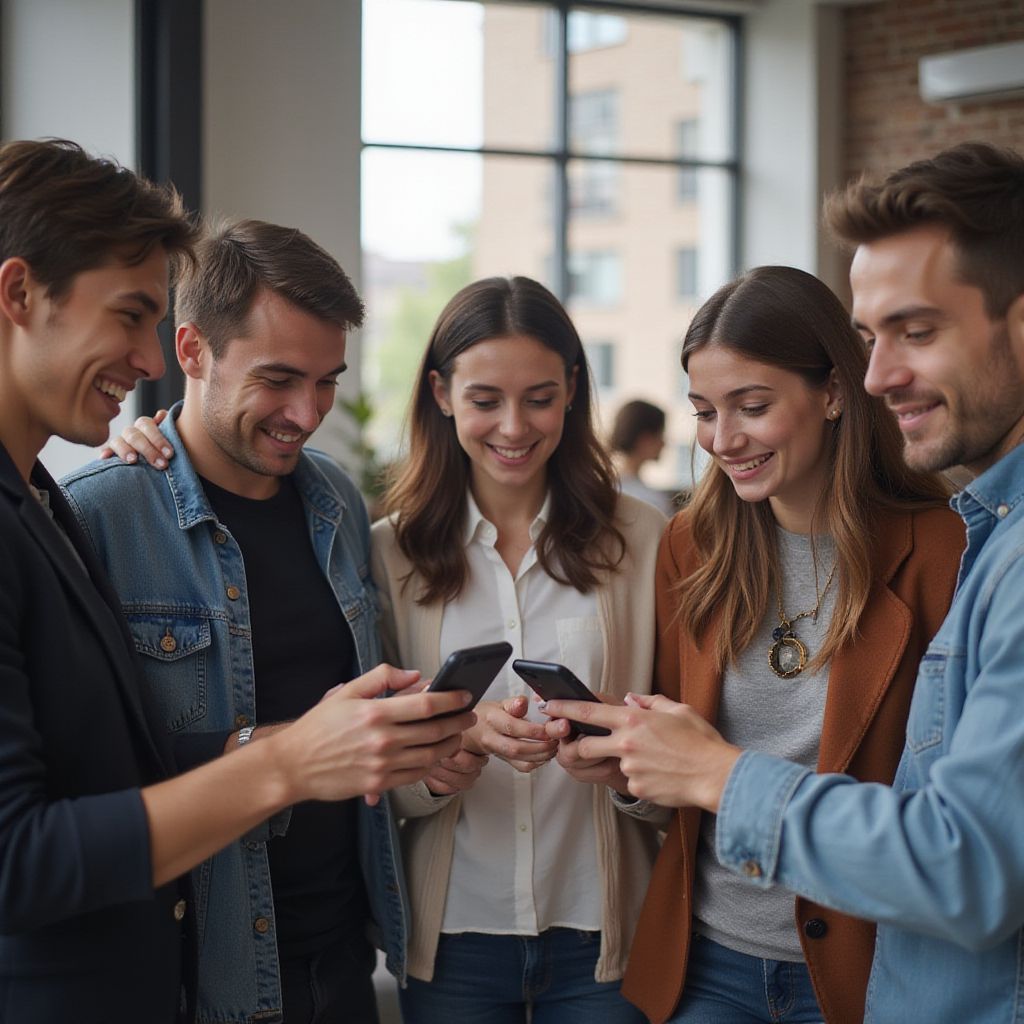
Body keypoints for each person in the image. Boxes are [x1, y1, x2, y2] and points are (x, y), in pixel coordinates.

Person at [543, 142, 1024, 1023]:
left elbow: (960, 846)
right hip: (708, 955)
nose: (723, 438)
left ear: (834, 396)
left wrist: (719, 774)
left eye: (752, 406)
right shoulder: (691, 545)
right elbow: (687, 762)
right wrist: (630, 766)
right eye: (703, 412)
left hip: (859, 966)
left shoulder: (951, 548)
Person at [0, 139, 473, 1024]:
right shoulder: (92, 504)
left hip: (336, 959)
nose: (307, 413)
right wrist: (287, 760)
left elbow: (115, 764)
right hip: (188, 975)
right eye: (279, 380)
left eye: (326, 382)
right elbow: (26, 854)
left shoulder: (328, 497)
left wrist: (385, 750)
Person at [371, 276, 666, 1023]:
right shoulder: (388, 554)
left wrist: (624, 763)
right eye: (484, 400)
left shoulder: (643, 539)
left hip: (605, 931)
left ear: (572, 390)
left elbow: (682, 748)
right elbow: (373, 776)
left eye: (539, 397)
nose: (513, 426)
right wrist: (444, 756)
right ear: (441, 393)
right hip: (455, 937)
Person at [609, 398, 675, 516]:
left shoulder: (604, 489)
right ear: (645, 439)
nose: (664, 443)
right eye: (660, 434)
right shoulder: (653, 501)